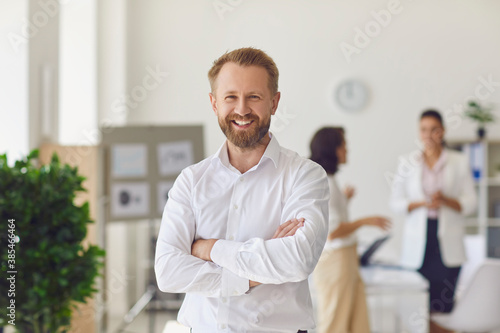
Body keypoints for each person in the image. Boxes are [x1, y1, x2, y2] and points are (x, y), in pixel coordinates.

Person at [154, 47, 330, 332]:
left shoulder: (305, 176)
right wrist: (257, 273)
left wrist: (210, 249)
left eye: (254, 97)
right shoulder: (191, 180)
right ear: (214, 104)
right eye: (231, 97)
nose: (242, 109)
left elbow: (297, 260)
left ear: (274, 102)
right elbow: (168, 272)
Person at [390, 110, 477, 333]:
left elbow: (471, 203)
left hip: (448, 244)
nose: (428, 134)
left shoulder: (459, 161)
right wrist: (422, 203)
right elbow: (396, 203)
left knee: (443, 307)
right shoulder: (407, 163)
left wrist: (446, 200)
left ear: (442, 131)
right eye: (424, 129)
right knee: (419, 307)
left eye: (434, 129)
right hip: (419, 243)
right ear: (419, 132)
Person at [310, 127, 390, 333]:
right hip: (336, 261)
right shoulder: (324, 181)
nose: (347, 150)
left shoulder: (328, 180)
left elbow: (329, 218)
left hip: (344, 260)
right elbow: (333, 231)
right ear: (333, 149)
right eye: (344, 145)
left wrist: (344, 200)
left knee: (355, 321)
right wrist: (365, 221)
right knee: (335, 323)